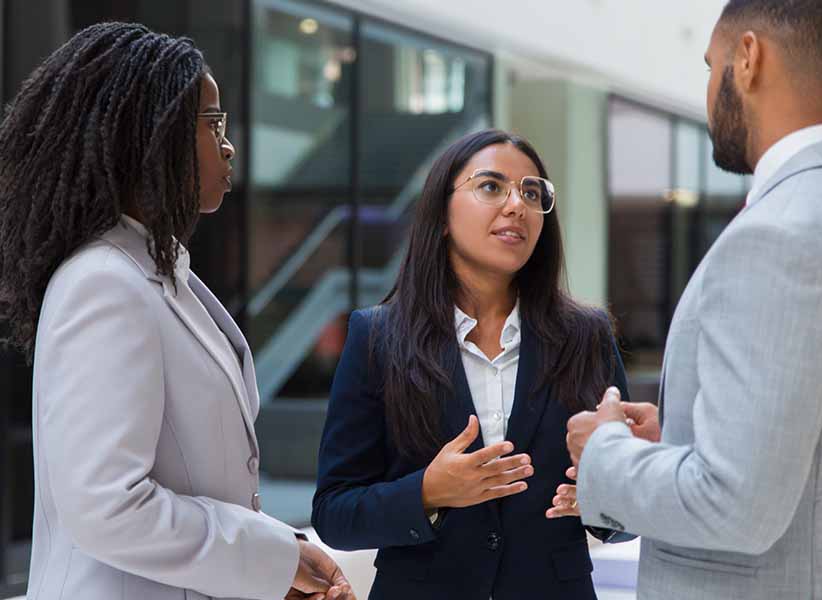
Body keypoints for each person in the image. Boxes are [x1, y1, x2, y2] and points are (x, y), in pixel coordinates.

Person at [0, 22, 354, 600]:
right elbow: (108, 506)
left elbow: (199, 482)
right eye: (212, 125)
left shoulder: (154, 272)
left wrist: (279, 559)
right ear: (149, 135)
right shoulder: (104, 284)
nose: (229, 144)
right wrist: (272, 557)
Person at [564, 1, 822, 598]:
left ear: (748, 58)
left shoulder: (776, 236)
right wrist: (689, 437)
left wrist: (605, 451)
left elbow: (734, 506)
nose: (708, 90)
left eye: (710, 64)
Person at [312, 129, 631, 599]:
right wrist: (426, 491)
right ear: (442, 214)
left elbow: (631, 510)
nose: (516, 205)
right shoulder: (377, 337)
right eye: (491, 186)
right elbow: (335, 513)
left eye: (531, 192)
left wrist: (605, 502)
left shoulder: (587, 336)